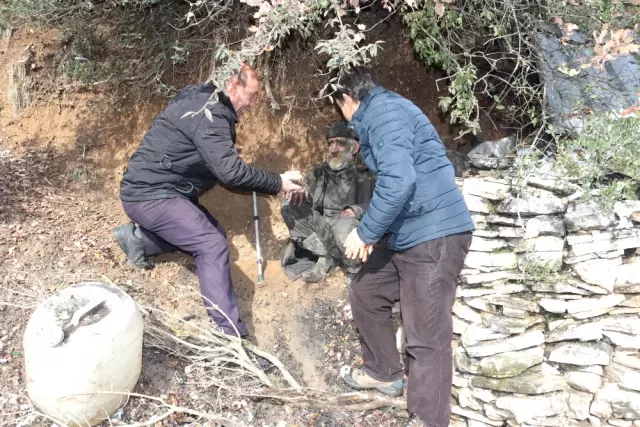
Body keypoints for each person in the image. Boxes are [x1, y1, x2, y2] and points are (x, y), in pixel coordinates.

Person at [112, 64, 302, 340]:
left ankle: (139, 241)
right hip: (150, 195)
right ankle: (230, 335)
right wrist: (278, 182)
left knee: (214, 234)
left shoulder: (204, 100)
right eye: (250, 95)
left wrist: (219, 150)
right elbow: (231, 173)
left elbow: (193, 141)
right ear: (232, 85)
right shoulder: (210, 113)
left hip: (164, 190)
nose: (252, 103)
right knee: (210, 244)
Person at [335, 66, 474, 427]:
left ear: (347, 100)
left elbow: (399, 182)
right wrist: (377, 230)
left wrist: (365, 233)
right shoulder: (382, 113)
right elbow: (397, 185)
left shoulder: (385, 114)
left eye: (340, 106)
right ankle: (384, 372)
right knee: (366, 291)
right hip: (407, 231)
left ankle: (428, 419)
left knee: (425, 336)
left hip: (434, 232)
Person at [280, 120, 376, 283]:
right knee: (289, 206)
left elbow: (382, 204)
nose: (333, 148)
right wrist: (298, 192)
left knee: (344, 226)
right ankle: (326, 258)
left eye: (340, 143)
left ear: (355, 147)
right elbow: (307, 197)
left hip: (348, 226)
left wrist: (357, 210)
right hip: (323, 226)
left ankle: (353, 267)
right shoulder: (319, 173)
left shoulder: (366, 175)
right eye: (330, 143)